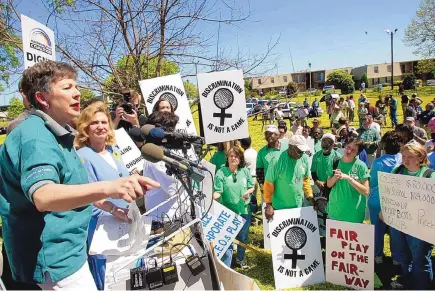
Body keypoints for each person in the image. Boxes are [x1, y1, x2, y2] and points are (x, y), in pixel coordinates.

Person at [0, 61, 159, 289]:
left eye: (76, 86)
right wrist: (111, 187)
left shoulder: (55, 134)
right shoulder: (35, 136)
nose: (77, 93)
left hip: (72, 252)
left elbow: (73, 187)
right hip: (57, 261)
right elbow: (43, 195)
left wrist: (113, 199)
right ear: (43, 98)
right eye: (67, 87)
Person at [74, 101, 131, 290]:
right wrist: (114, 209)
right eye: (94, 123)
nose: (100, 127)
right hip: (102, 228)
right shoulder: (82, 156)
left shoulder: (115, 151)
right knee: (109, 279)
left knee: (128, 276)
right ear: (85, 128)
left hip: (125, 221)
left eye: (104, 122)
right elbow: (89, 195)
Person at [388, 142, 435, 290]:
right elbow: (389, 194)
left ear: (421, 158)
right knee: (403, 257)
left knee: (420, 260)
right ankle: (407, 282)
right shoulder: (397, 171)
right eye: (403, 156)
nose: (406, 160)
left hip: (420, 228)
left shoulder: (429, 176)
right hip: (399, 224)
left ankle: (422, 286)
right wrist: (386, 210)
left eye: (410, 157)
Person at [214, 146, 255, 269]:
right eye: (231, 155)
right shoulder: (221, 172)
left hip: (244, 211)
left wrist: (248, 192)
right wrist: (211, 197)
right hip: (227, 212)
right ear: (227, 158)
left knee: (243, 237)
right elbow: (218, 192)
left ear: (240, 158)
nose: (233, 158)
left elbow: (251, 186)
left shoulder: (245, 171)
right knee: (228, 238)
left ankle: (241, 259)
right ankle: (227, 263)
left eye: (236, 156)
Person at [368, 131, 402, 265]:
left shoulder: (378, 162)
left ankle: (377, 256)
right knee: (396, 232)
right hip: (397, 202)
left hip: (378, 200)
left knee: (377, 230)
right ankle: (397, 258)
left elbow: (373, 182)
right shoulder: (402, 159)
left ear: (384, 145)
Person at [263, 135, 313, 221]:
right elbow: (268, 184)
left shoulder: (303, 158)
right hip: (280, 207)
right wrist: (269, 204)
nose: (301, 154)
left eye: (303, 151)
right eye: (299, 151)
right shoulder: (277, 161)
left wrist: (310, 196)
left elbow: (305, 179)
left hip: (298, 206)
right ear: (290, 147)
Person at [326, 138, 369, 223]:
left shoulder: (361, 166)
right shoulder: (334, 162)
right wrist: (335, 177)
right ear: (345, 146)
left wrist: (349, 178)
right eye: (348, 147)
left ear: (358, 153)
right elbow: (329, 185)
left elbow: (366, 191)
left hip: (354, 214)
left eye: (353, 150)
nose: (349, 151)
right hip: (335, 212)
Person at [256, 125, 288, 189]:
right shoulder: (261, 152)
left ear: (277, 135)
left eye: (271, 134)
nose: (268, 136)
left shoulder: (287, 148)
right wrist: (261, 185)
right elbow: (259, 170)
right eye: (266, 134)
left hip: (285, 186)